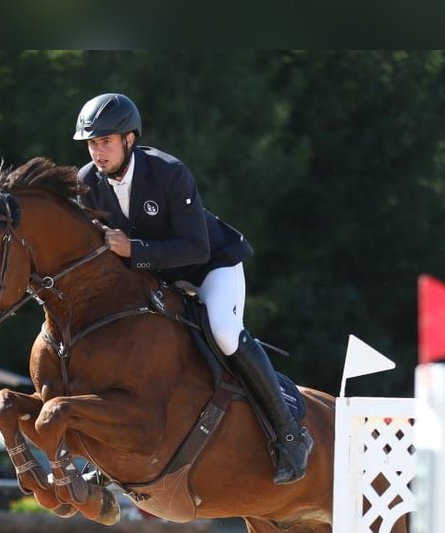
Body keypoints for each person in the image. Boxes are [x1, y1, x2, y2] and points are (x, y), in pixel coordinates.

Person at [73, 92, 312, 485]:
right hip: (158, 281)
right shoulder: (88, 182)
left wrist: (134, 250)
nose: (97, 153)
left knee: (223, 331)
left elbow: (194, 247)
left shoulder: (168, 172)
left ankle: (289, 434)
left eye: (105, 142)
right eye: (92, 144)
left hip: (210, 267)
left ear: (129, 139)